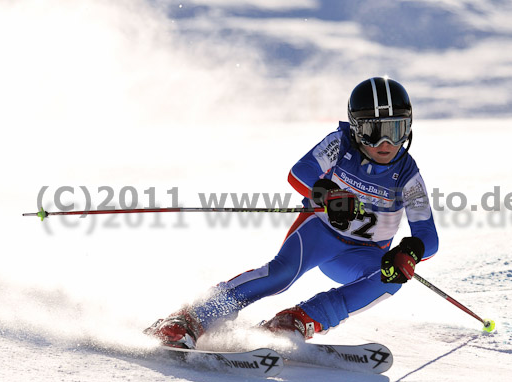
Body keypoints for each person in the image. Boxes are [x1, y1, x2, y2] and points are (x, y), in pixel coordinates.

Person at [146, 77, 439, 349]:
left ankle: (296, 320)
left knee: (393, 277)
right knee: (281, 274)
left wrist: (410, 252)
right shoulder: (341, 143)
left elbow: (428, 235)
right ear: (356, 128)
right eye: (373, 132)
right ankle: (190, 318)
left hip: (360, 255)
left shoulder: (407, 175)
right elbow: (300, 172)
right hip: (319, 233)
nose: (385, 144)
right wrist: (327, 194)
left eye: (396, 130)